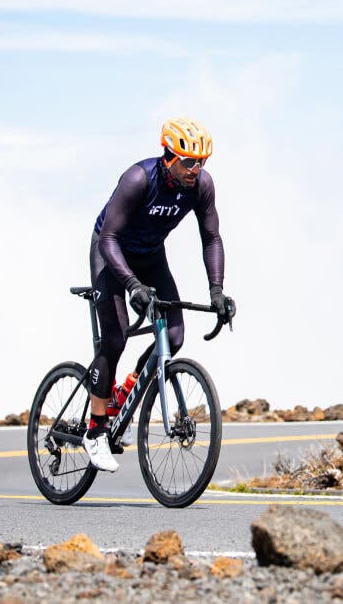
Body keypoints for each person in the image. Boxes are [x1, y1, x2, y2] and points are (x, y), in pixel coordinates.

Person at [83, 117, 235, 472]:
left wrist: (216, 290)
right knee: (116, 339)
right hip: (111, 252)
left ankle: (126, 391)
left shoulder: (201, 186)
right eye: (188, 161)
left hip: (150, 254)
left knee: (176, 336)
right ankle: (94, 430)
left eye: (201, 162)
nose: (195, 170)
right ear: (168, 157)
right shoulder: (139, 179)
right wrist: (132, 285)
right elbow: (108, 238)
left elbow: (211, 238)